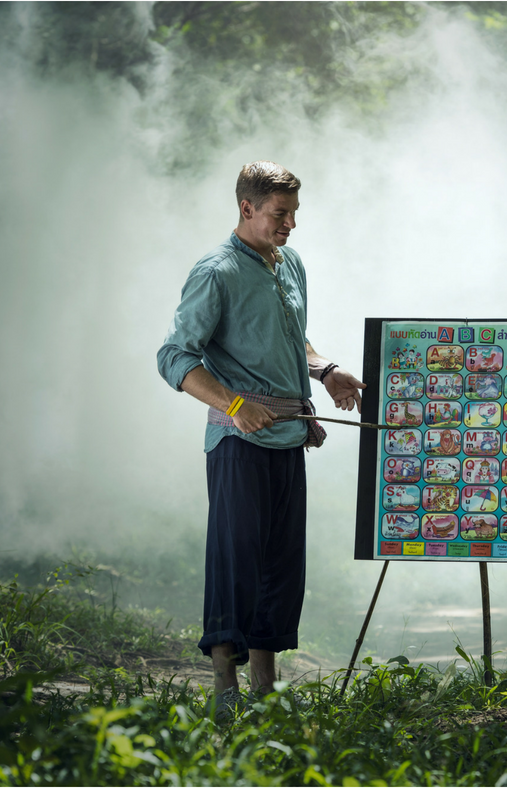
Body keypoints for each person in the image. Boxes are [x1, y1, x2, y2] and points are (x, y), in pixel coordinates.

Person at [156, 161, 365, 716]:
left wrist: (326, 371)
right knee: (236, 559)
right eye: (280, 213)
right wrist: (235, 404)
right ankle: (225, 693)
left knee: (281, 564)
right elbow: (174, 356)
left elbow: (292, 338)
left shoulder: (289, 262)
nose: (291, 224)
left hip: (288, 437)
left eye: (294, 213)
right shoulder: (215, 272)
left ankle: (265, 692)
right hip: (238, 442)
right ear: (247, 208)